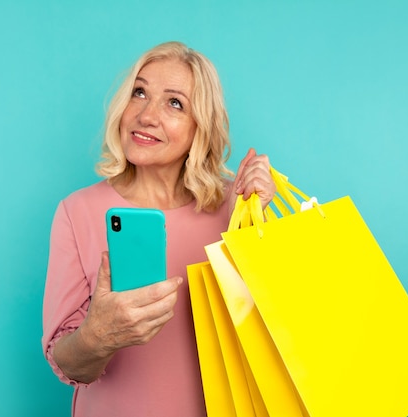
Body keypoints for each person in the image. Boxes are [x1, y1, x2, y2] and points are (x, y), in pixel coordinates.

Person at [42, 41, 276, 417]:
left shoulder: (235, 207)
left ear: (202, 125)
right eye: (139, 92)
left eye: (174, 103)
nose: (146, 115)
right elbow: (67, 364)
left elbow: (274, 336)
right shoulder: (77, 212)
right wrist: (97, 335)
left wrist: (257, 219)